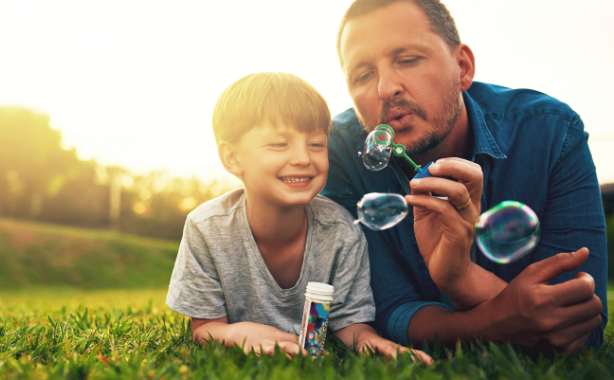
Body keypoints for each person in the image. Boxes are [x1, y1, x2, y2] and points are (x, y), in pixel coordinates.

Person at [321, 0, 607, 355]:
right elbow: (385, 309)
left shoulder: (552, 133)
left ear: (463, 67)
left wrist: (463, 278)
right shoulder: (336, 151)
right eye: (362, 75)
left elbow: (581, 327)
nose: (385, 88)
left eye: (407, 59)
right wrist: (494, 321)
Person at [166, 72, 433, 363]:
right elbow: (204, 328)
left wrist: (373, 343)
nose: (303, 158)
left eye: (316, 144)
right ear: (232, 158)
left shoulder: (341, 231)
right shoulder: (207, 228)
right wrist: (236, 334)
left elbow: (350, 325)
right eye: (279, 144)